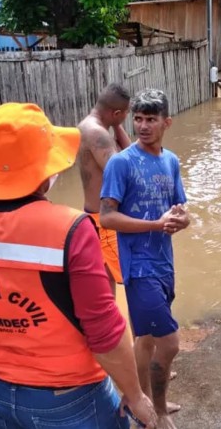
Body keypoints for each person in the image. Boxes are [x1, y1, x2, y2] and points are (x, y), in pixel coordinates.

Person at [0, 103, 157, 429]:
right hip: (70, 398)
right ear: (46, 171)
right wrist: (134, 394)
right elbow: (104, 332)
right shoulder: (71, 230)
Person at [100, 89, 191, 429]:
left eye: (151, 119)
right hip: (138, 267)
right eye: (137, 118)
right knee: (170, 344)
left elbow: (180, 208)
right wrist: (154, 224)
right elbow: (107, 217)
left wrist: (183, 220)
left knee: (147, 339)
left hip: (163, 262)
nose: (142, 125)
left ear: (166, 122)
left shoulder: (171, 161)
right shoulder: (121, 163)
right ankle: (160, 410)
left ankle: (139, 398)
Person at [77, 83, 132, 292]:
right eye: (125, 115)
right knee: (130, 278)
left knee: (107, 279)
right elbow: (124, 172)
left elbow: (129, 153)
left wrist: (116, 124)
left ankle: (116, 322)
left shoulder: (92, 127)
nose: (126, 118)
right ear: (115, 112)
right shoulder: (97, 134)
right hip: (104, 221)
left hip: (99, 218)